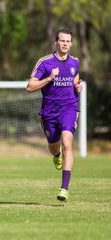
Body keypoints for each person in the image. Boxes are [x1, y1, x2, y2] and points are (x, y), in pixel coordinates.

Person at [26, 28, 83, 202]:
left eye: (68, 41)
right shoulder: (45, 63)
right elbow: (29, 87)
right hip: (49, 112)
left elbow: (76, 79)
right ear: (56, 42)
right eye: (62, 41)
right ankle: (56, 156)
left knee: (67, 144)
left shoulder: (75, 62)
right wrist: (49, 78)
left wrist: (77, 87)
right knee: (54, 146)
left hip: (69, 108)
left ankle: (64, 188)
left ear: (71, 44)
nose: (65, 44)